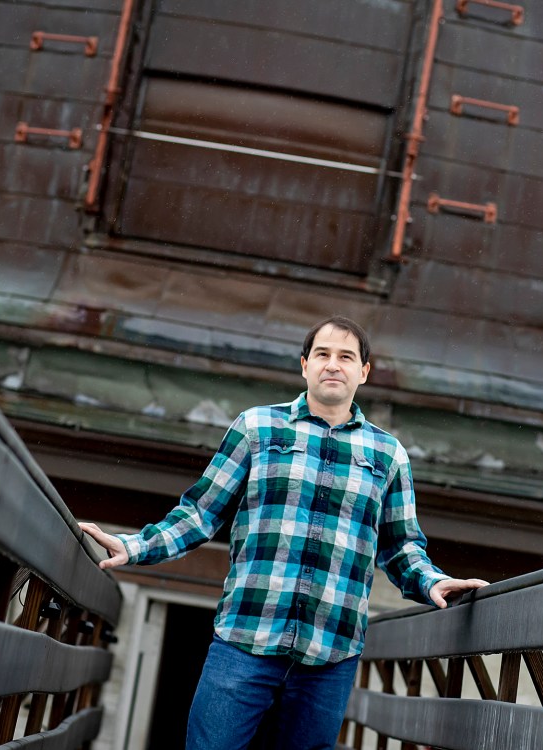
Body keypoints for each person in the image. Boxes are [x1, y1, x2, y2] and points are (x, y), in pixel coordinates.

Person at [80, 315, 488, 749]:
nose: (333, 364)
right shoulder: (256, 427)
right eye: (323, 355)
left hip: (331, 652)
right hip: (245, 637)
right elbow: (200, 513)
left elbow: (401, 546)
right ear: (304, 366)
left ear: (363, 372)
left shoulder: (388, 454)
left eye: (346, 357)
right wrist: (135, 545)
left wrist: (432, 581)